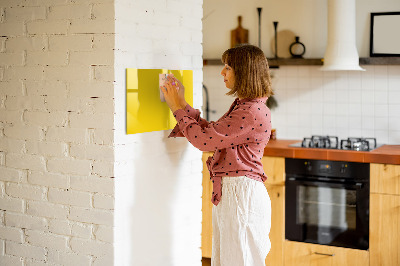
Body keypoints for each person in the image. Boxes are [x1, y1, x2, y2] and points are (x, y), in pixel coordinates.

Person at [161, 44, 273, 266]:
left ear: (244, 72)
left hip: (241, 195)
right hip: (236, 193)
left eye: (228, 67)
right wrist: (182, 103)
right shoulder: (246, 106)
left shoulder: (250, 111)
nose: (222, 72)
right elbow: (212, 133)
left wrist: (176, 107)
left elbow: (204, 141)